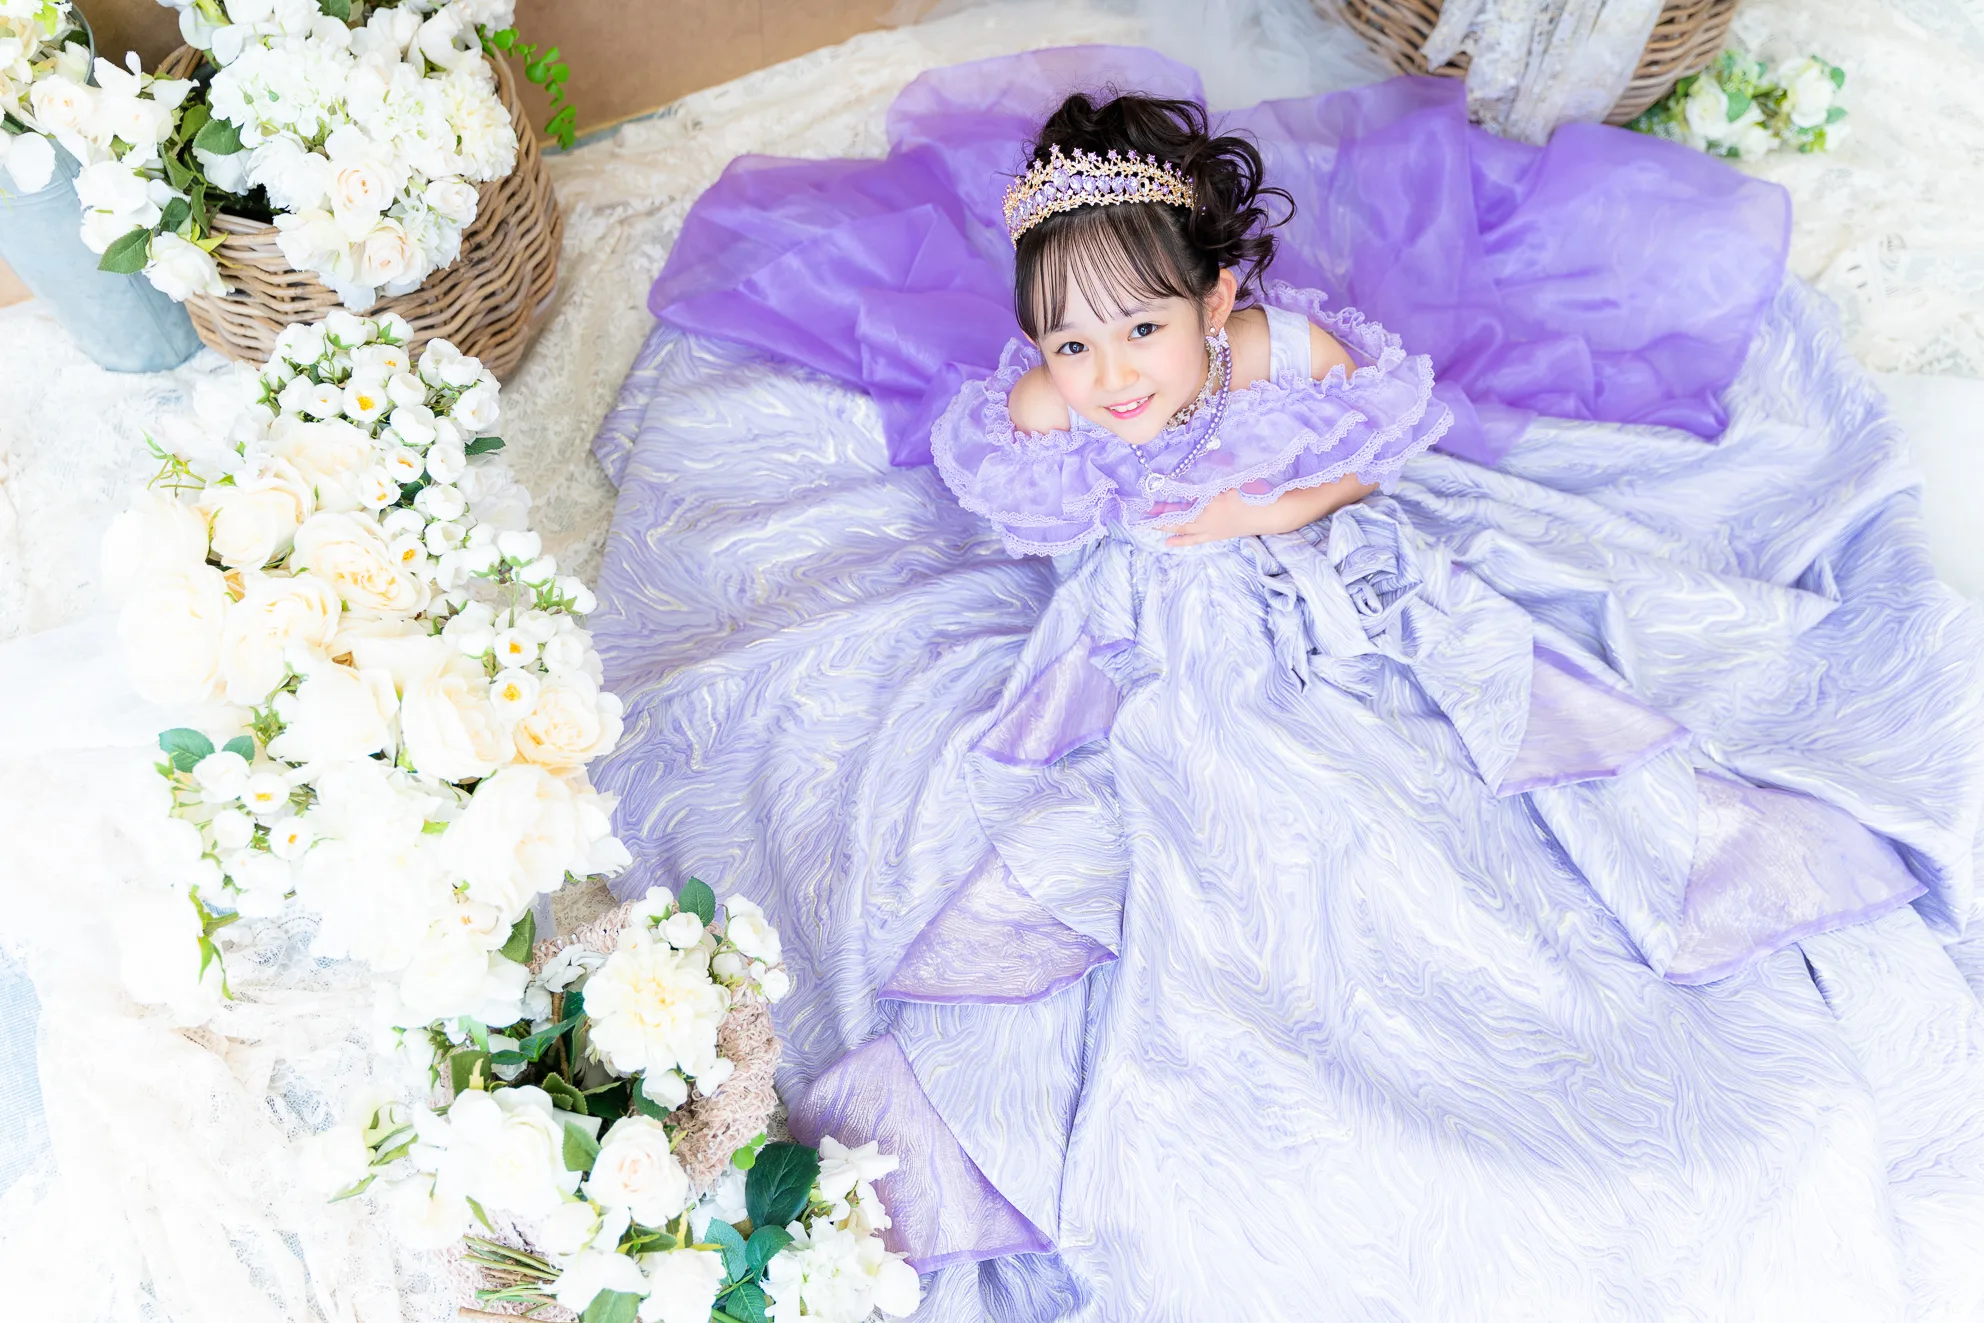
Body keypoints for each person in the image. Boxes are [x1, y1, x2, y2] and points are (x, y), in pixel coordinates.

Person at [589, 48, 1984, 1320]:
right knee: (1165, 851)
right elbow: (1019, 492)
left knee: (1483, 782)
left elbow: (1377, 444)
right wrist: (1106, 491)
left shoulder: (1273, 352)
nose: (1110, 375)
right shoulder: (1043, 407)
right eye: (1070, 343)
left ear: (1215, 299)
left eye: (1141, 331)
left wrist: (1255, 508)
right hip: (1163, 650)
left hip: (1346, 605)